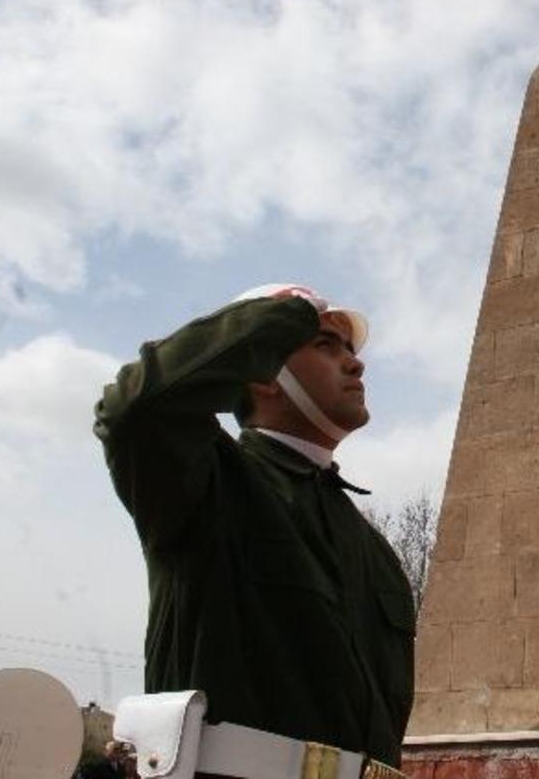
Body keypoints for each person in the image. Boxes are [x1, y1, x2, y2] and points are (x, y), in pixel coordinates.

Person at [94, 285, 415, 770]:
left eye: (350, 350)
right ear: (263, 374)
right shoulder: (212, 486)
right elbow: (133, 409)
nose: (356, 364)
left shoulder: (373, 547)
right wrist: (282, 317)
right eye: (326, 345)